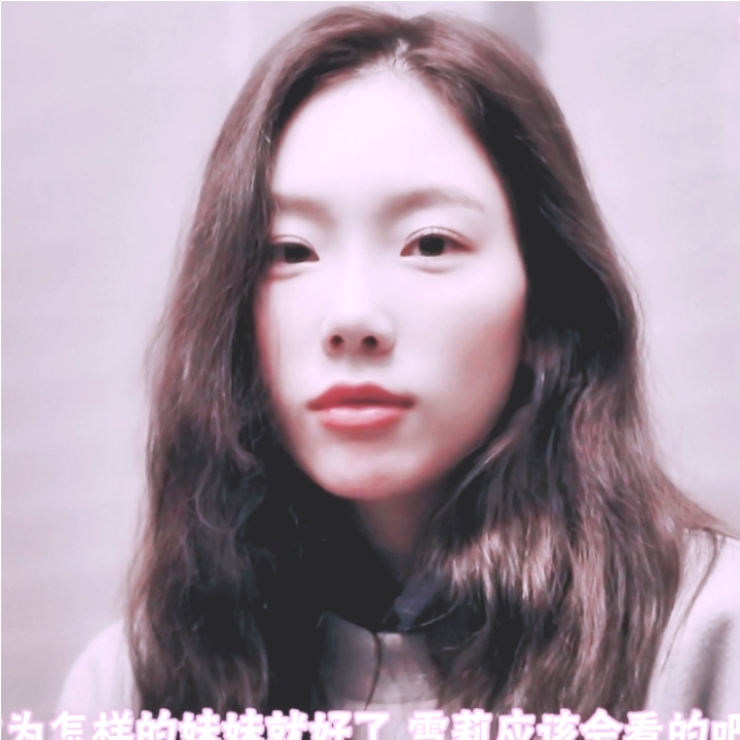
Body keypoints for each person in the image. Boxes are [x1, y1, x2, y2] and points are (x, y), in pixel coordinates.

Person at [58, 6, 740, 730]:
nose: (353, 317)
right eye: (291, 252)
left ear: (547, 304)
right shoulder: (131, 687)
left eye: (431, 244)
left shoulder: (707, 639)